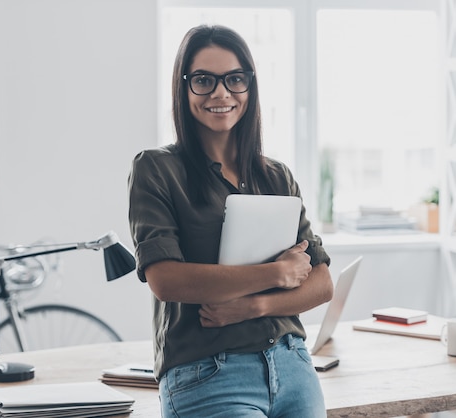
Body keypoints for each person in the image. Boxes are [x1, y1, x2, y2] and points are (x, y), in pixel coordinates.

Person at [128, 24, 333, 418]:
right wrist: (276, 272)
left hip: (292, 365)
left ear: (249, 86)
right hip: (208, 373)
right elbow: (166, 280)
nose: (221, 93)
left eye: (235, 79)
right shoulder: (156, 169)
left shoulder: (276, 177)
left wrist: (253, 307)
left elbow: (321, 284)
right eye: (204, 80)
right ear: (183, 88)